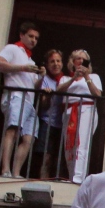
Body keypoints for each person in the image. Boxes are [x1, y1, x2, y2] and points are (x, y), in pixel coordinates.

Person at [0, 21, 44, 178]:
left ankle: (16, 172)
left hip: (29, 101)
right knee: (12, 132)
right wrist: (22, 68)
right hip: (16, 96)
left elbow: (35, 85)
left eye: (36, 38)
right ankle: (5, 170)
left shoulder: (31, 61)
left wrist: (41, 77)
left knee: (29, 138)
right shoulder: (12, 49)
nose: (33, 40)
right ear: (21, 35)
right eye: (30, 36)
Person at [57, 49, 103, 184]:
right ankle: (72, 177)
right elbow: (59, 90)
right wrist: (73, 77)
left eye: (84, 59)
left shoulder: (94, 77)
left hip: (86, 110)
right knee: (69, 146)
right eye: (78, 59)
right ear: (72, 61)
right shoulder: (65, 78)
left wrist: (87, 77)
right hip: (69, 112)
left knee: (81, 144)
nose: (81, 61)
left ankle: (78, 178)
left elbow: (97, 94)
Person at [37, 49, 65, 179]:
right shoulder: (45, 80)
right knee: (46, 157)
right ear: (47, 65)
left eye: (58, 61)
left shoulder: (66, 80)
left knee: (59, 158)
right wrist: (46, 96)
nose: (55, 64)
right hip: (48, 122)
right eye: (52, 61)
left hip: (64, 124)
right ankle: (43, 182)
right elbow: (43, 106)